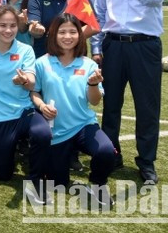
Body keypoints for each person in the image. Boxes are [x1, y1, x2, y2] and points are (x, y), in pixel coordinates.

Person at [91, 0, 168, 184]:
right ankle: (112, 155)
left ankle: (146, 161)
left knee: (147, 107)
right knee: (111, 104)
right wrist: (97, 48)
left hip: (145, 47)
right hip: (113, 46)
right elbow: (100, 14)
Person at [31, 13, 116, 204]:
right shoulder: (42, 62)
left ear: (79, 35)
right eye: (62, 32)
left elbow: (95, 101)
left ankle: (98, 184)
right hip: (56, 132)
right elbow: (34, 92)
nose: (67, 36)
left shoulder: (89, 64)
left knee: (106, 151)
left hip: (83, 125)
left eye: (72, 32)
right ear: (53, 35)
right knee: (57, 184)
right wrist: (42, 106)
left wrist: (93, 84)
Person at [0, 6, 51, 202]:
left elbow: (32, 83)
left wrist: (24, 81)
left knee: (43, 133)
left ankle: (36, 180)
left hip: (24, 112)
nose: (8, 30)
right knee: (3, 174)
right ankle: (10, 150)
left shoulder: (25, 49)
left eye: (13, 25)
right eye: (2, 25)